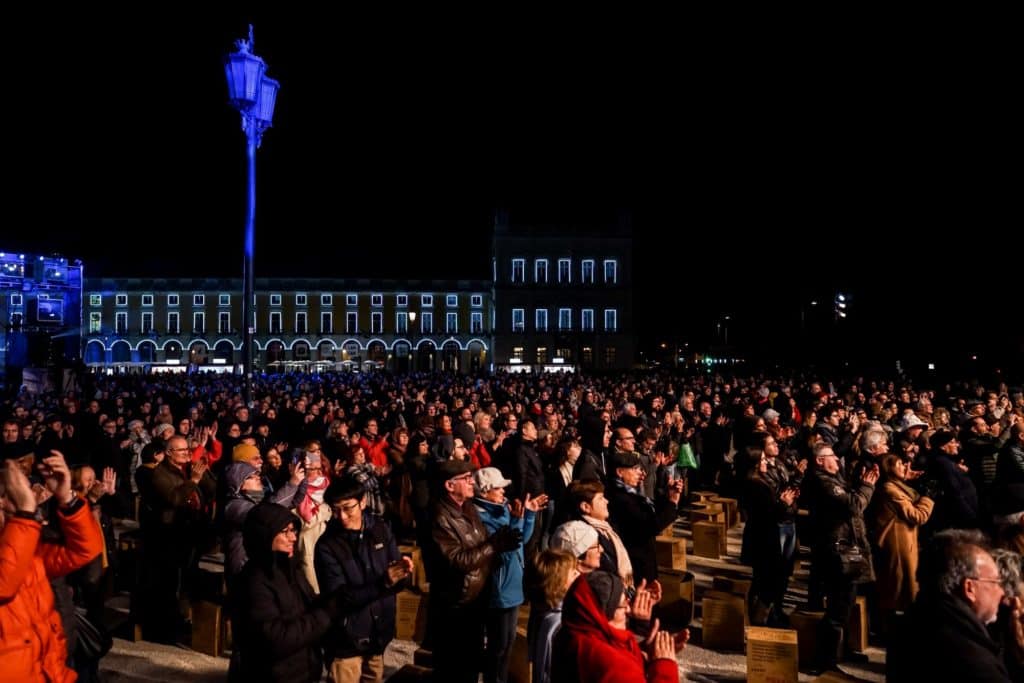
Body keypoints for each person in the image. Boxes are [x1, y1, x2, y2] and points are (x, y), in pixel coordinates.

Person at [0, 453, 103, 682]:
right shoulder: (22, 532)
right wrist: (25, 515)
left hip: (48, 667)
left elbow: (85, 551)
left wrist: (67, 498)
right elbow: (4, 584)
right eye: (18, 493)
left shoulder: (26, 543)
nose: (28, 496)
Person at [427, 458, 523, 683]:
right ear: (450, 485)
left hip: (476, 600)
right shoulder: (440, 517)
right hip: (455, 604)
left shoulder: (468, 507)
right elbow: (458, 559)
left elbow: (483, 543)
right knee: (454, 669)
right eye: (466, 478)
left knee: (471, 664)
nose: (472, 482)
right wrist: (493, 545)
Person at [315, 475, 412, 683]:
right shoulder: (327, 546)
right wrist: (384, 582)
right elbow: (339, 598)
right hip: (346, 640)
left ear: (363, 502)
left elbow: (395, 580)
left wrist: (402, 573)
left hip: (378, 634)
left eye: (347, 508)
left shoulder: (380, 530)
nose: (342, 516)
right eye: (335, 510)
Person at [231, 503, 337, 683]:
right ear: (264, 535)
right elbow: (276, 639)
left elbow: (307, 608)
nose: (293, 537)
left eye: (294, 530)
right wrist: (324, 616)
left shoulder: (290, 568)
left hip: (302, 672)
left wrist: (333, 601)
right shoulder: (254, 581)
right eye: (285, 531)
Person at [888, 529, 1013, 681]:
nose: (1002, 592)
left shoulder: (909, 626)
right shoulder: (975, 662)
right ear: (969, 588)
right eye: (996, 582)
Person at [472, 466, 547, 683]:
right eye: (498, 488)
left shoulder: (503, 508)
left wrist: (529, 515)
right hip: (500, 588)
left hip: (513, 585)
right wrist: (516, 522)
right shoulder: (481, 517)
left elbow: (521, 540)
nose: (503, 492)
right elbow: (505, 549)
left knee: (508, 644)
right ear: (484, 491)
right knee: (499, 646)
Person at [551, 570, 680, 683]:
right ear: (602, 615)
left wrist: (644, 651)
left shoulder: (572, 634)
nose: (628, 610)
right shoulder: (612, 665)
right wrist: (664, 668)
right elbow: (616, 670)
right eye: (623, 605)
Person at [527, 548, 579, 683]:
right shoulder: (559, 624)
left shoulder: (545, 613)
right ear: (558, 583)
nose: (579, 574)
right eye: (574, 573)